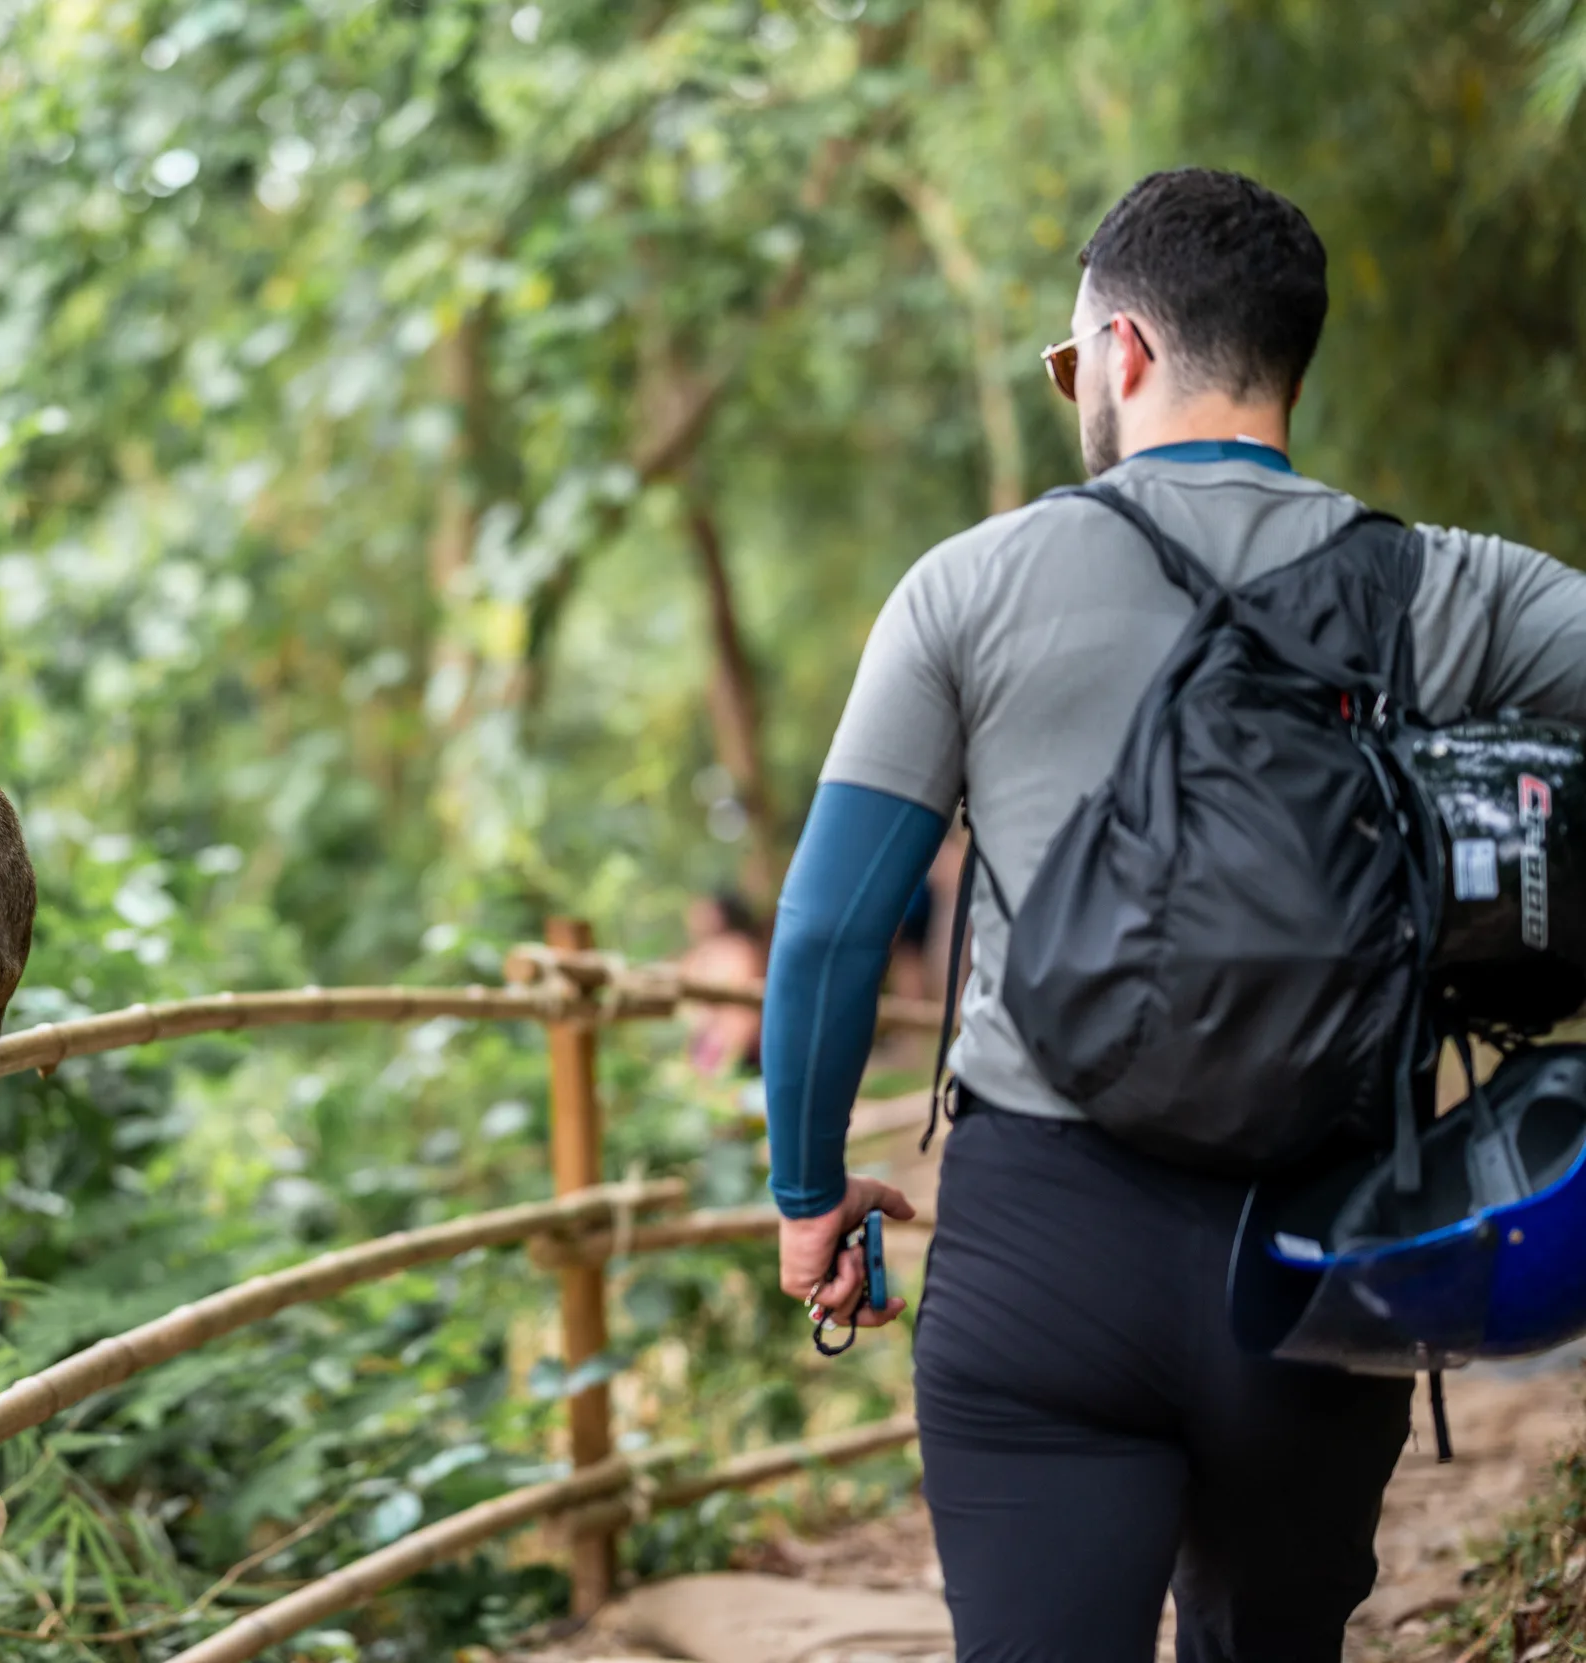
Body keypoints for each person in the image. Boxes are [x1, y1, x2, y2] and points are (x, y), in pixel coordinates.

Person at [759, 168, 1586, 1663]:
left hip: (1042, 1255)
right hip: (1327, 1257)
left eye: (1073, 357)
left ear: (1124, 351)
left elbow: (827, 929)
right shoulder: (1438, 582)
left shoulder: (969, 587)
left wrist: (808, 1197)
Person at [679, 888, 764, 1078]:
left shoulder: (739, 951)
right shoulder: (700, 953)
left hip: (734, 1046)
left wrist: (728, 1059)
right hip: (707, 1045)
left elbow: (742, 1012)